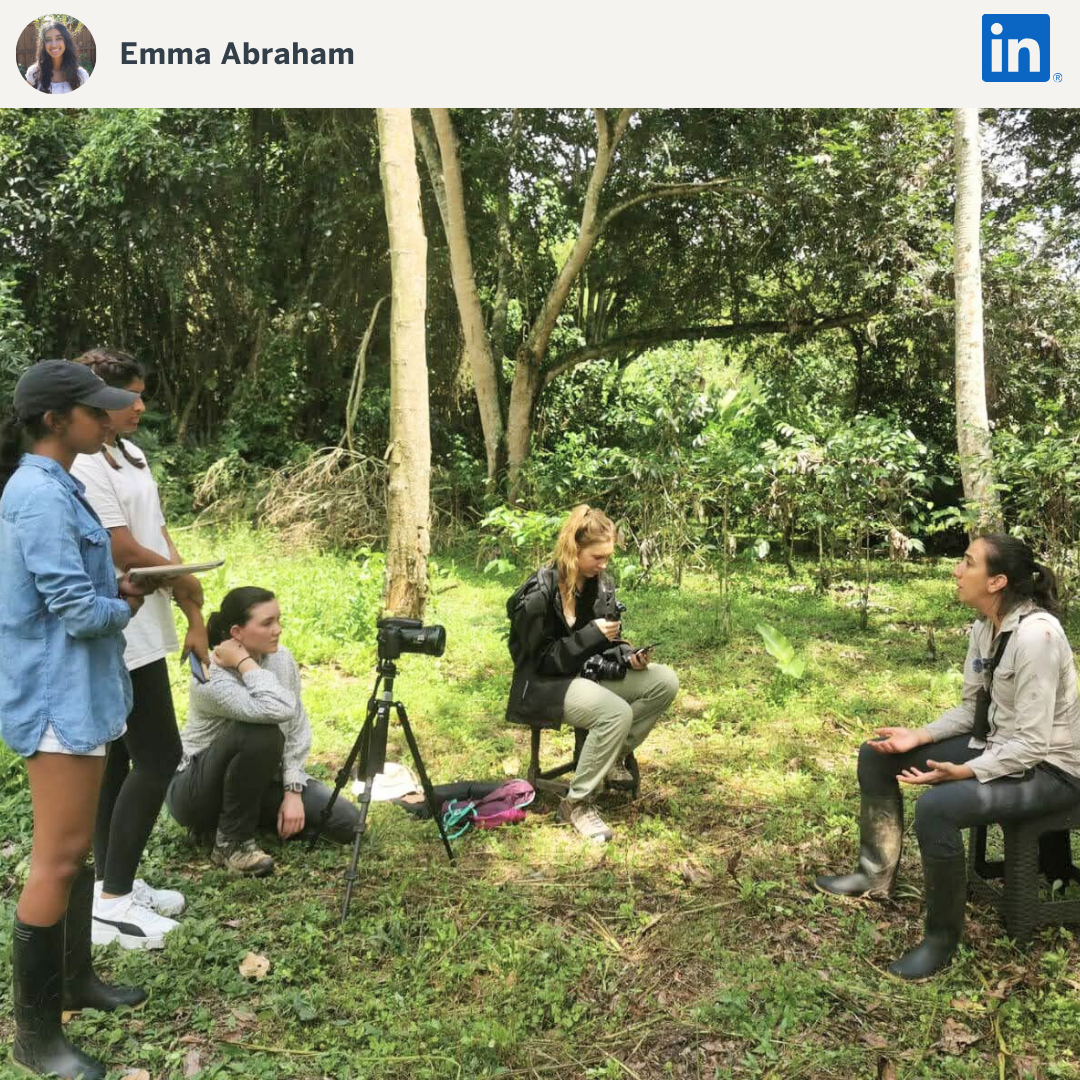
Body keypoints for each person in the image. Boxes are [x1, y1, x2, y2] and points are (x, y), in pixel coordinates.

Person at [815, 534, 1080, 980]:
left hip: (1051, 769)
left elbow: (1033, 745)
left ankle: (941, 938)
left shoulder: (1037, 638)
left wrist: (965, 771)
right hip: (999, 745)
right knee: (876, 756)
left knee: (937, 806)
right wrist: (918, 736)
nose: (956, 571)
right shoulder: (985, 626)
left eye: (967, 563)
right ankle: (872, 874)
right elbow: (971, 708)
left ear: (996, 581)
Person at [0, 360, 148, 1080]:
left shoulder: (61, 487)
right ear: (57, 420)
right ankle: (34, 1039)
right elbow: (76, 613)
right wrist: (126, 602)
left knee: (75, 852)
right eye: (94, 411)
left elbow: (72, 589)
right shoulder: (41, 496)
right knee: (56, 859)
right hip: (57, 699)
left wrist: (111, 587)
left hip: (79, 691)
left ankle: (75, 983)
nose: (106, 419)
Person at [70, 349, 208, 950]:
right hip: (117, 623)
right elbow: (121, 548)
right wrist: (181, 577)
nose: (140, 407)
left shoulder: (130, 455)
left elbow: (155, 533)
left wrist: (189, 600)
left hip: (147, 622)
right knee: (159, 755)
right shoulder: (83, 467)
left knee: (121, 763)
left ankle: (111, 885)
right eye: (130, 396)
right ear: (97, 401)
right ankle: (114, 900)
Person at [505, 504, 678, 842]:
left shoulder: (598, 585)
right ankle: (577, 804)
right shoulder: (539, 594)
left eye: (607, 558)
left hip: (586, 676)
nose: (603, 565)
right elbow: (538, 661)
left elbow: (606, 643)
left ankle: (610, 755)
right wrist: (590, 636)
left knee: (664, 681)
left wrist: (628, 657)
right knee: (616, 712)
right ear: (574, 549)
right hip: (543, 685)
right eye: (597, 557)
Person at [166, 586, 362, 875]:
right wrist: (245, 663)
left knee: (347, 823)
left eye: (278, 620)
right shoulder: (210, 677)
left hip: (254, 778)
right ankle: (232, 843)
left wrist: (293, 790)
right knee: (262, 734)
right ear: (237, 632)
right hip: (196, 789)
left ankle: (242, 819)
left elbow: (295, 722)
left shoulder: (281, 658)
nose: (277, 630)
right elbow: (277, 710)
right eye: (267, 623)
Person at [25, 20, 89, 95]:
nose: (54, 45)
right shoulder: (34, 73)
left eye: (59, 38)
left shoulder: (80, 75)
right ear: (43, 44)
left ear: (66, 41)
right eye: (48, 40)